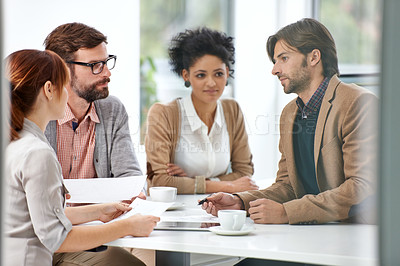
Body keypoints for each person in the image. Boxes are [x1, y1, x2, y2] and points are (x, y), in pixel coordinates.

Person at [202, 18, 378, 226]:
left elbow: (361, 186)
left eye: (283, 58)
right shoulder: (290, 113)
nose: (275, 70)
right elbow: (288, 185)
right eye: (275, 61)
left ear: (313, 57)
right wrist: (241, 202)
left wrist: (288, 213)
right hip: (311, 231)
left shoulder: (358, 103)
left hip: (356, 233)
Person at [4, 49, 160, 266]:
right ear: (49, 90)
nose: (67, 94)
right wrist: (128, 226)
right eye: (65, 85)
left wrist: (98, 211)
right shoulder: (38, 154)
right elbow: (56, 239)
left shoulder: (15, 142)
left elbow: (37, 217)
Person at [43, 22, 147, 265]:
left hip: (101, 232)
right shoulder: (36, 114)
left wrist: (135, 195)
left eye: (107, 61)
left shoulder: (112, 110)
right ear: (63, 71)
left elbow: (129, 177)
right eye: (95, 66)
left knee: (150, 254)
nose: (107, 73)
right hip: (55, 241)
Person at [145, 27, 259, 194]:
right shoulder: (164, 114)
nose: (211, 83)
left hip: (219, 207)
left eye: (218, 74)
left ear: (227, 73)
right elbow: (160, 182)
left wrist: (191, 183)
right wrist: (227, 185)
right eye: (201, 75)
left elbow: (244, 172)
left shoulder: (231, 110)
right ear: (186, 75)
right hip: (178, 212)